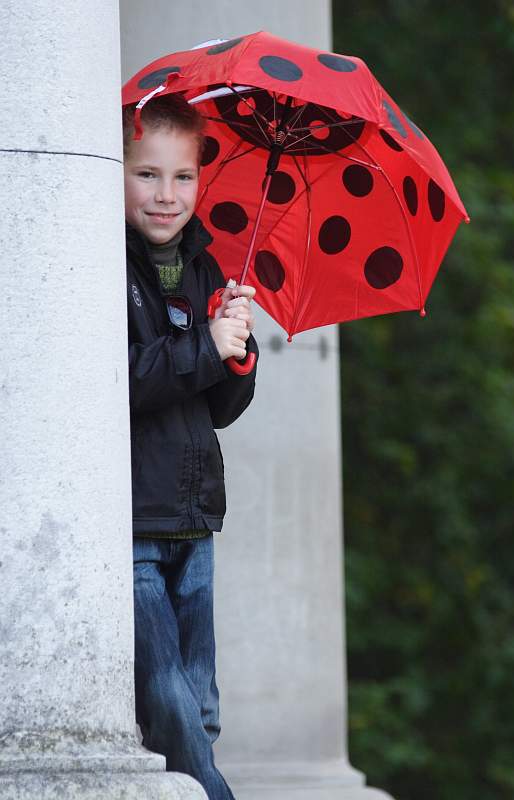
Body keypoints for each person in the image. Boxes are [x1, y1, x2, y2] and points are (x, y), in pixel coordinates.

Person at [122, 94, 258, 800]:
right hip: (133, 522)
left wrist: (236, 350)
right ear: (116, 171)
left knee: (199, 702)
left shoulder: (206, 269)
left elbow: (222, 410)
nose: (166, 195)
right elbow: (119, 381)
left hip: (195, 516)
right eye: (146, 174)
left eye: (181, 178)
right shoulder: (102, 265)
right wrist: (200, 347)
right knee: (167, 698)